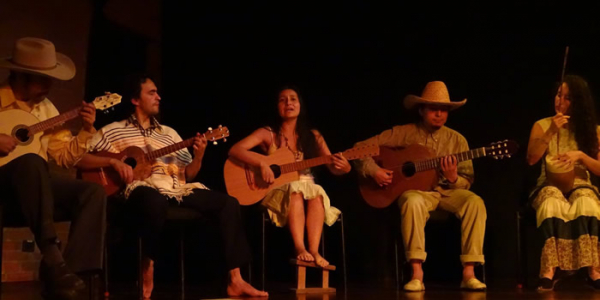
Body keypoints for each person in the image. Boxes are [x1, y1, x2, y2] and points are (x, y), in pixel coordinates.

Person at [77, 74, 267, 298]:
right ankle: (148, 265)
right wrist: (113, 162)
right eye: (151, 93)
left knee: (228, 203)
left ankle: (236, 279)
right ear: (135, 100)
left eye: (158, 92)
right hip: (137, 190)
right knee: (154, 201)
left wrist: (199, 156)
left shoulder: (170, 135)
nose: (158, 96)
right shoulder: (113, 131)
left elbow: (187, 174)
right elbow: (81, 159)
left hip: (174, 189)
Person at [354, 81, 487, 291]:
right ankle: (416, 273)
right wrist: (374, 171)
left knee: (475, 202)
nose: (439, 114)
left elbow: (466, 182)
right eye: (434, 109)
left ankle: (469, 273)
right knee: (412, 200)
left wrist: (453, 178)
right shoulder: (404, 133)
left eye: (444, 110)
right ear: (421, 109)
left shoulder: (457, 140)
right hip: (418, 194)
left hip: (446, 192)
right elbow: (360, 148)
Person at [0, 37, 106, 299]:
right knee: (32, 162)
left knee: (92, 193)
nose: (49, 85)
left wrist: (86, 130)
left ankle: (69, 274)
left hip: (33, 189)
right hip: (3, 187)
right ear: (20, 76)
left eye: (51, 78)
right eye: (41, 79)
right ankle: (52, 257)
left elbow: (65, 158)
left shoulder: (48, 111)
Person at [228, 85, 351, 268]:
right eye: (283, 99)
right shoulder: (268, 133)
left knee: (316, 192)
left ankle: (314, 250)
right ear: (277, 106)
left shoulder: (313, 135)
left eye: (293, 99)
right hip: (276, 190)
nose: (288, 103)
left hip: (308, 188)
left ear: (300, 105)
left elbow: (333, 166)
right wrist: (261, 163)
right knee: (296, 190)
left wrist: (346, 167)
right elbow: (235, 150)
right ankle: (300, 248)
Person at [526, 74, 600, 291]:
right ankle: (550, 270)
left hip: (580, 184)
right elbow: (531, 159)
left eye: (568, 98)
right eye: (559, 95)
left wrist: (581, 156)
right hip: (549, 184)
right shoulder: (542, 125)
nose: (560, 101)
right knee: (551, 202)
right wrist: (551, 131)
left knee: (587, 203)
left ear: (578, 102)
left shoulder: (592, 130)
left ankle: (593, 270)